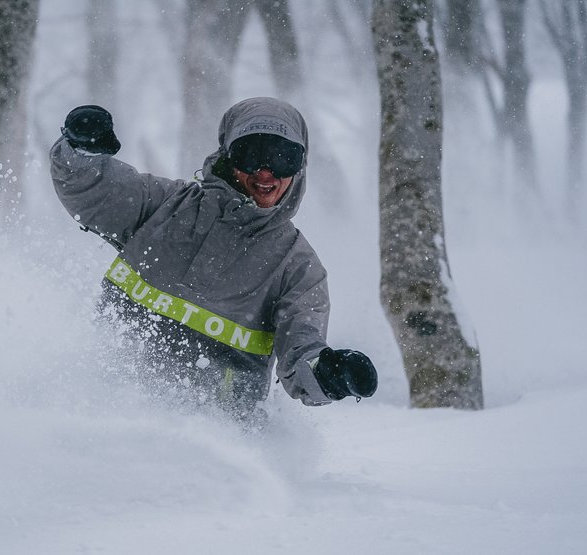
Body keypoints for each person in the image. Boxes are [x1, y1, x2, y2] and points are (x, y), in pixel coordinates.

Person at [50, 97, 377, 421]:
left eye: (283, 158)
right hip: (104, 408)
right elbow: (88, 186)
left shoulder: (296, 267)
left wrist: (329, 374)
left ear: (300, 167)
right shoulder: (164, 207)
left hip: (217, 437)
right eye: (252, 155)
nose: (266, 173)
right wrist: (82, 148)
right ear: (228, 156)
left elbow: (302, 352)